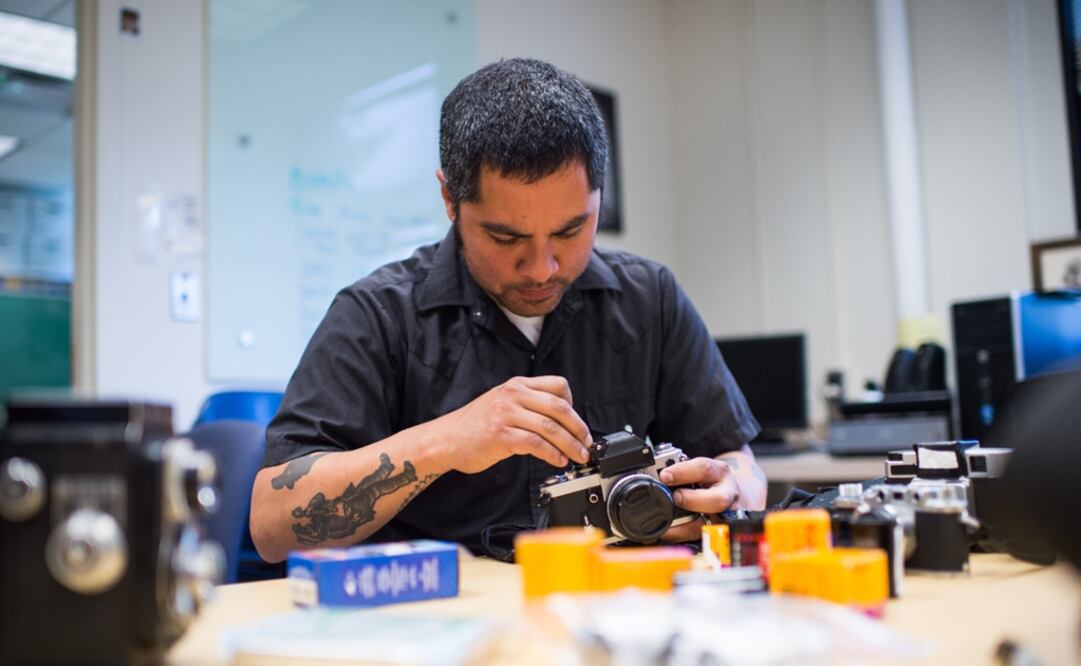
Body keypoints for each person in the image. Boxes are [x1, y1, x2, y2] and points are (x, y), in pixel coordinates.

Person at [250, 58, 766, 563]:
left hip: (608, 610)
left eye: (570, 230)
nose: (542, 268)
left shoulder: (649, 298)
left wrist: (734, 490)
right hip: (443, 627)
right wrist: (445, 441)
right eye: (505, 236)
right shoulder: (378, 316)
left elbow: (737, 463)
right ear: (450, 199)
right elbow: (272, 526)